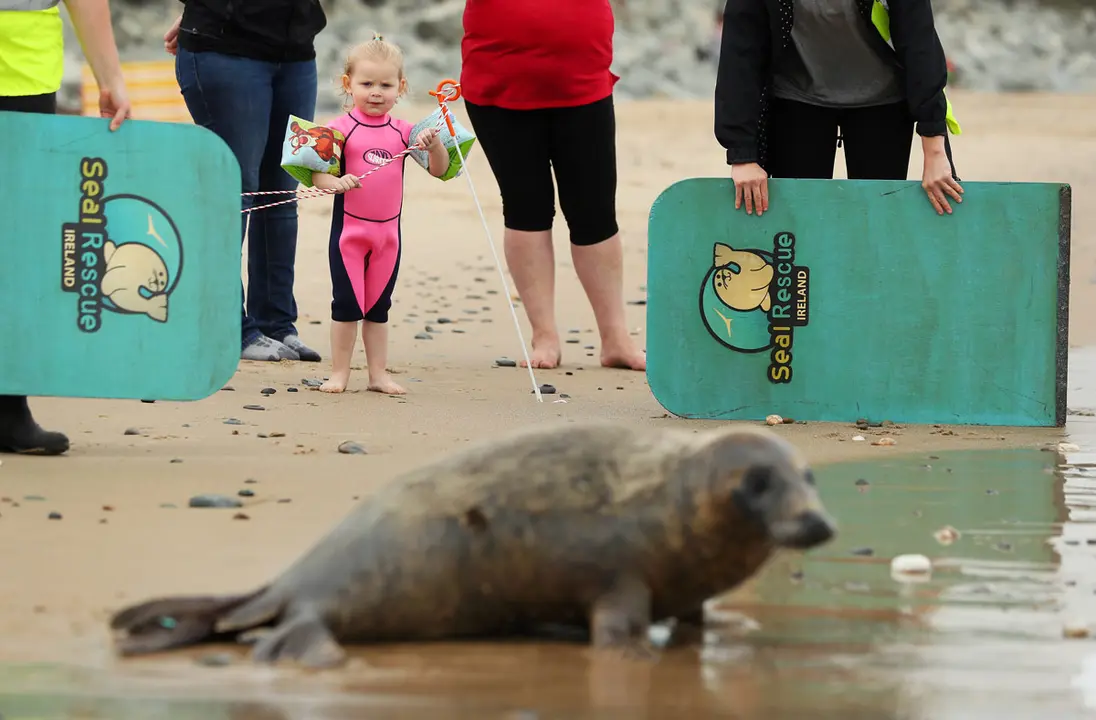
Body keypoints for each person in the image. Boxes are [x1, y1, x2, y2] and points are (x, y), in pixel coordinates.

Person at [459, 0, 647, 372]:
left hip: (583, 78)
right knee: (525, 208)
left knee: (594, 213)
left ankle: (616, 339)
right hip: (498, 79)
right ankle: (544, 336)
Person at [0, 0, 131, 455]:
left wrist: (109, 74)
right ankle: (7, 410)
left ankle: (8, 407)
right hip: (22, 72)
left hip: (22, 70)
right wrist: (109, 76)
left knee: (15, 245)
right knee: (13, 244)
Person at [163, 0, 327, 363]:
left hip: (297, 52)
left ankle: (276, 323)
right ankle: (228, 327)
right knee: (235, 191)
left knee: (283, 193)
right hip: (224, 50)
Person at [714, 0, 964, 217]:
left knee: (877, 217)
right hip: (796, 97)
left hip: (883, 100)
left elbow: (919, 43)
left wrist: (935, 152)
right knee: (799, 221)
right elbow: (741, 53)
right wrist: (742, 155)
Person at [311, 36, 449, 396]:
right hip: (349, 237)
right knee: (345, 305)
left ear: (400, 87)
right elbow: (317, 176)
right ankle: (339, 373)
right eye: (366, 83)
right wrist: (337, 181)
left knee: (378, 308)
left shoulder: (406, 133)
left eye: (386, 85)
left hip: (389, 237)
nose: (376, 92)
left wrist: (435, 146)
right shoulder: (339, 129)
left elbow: (439, 170)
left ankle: (378, 375)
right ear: (348, 84)